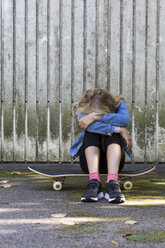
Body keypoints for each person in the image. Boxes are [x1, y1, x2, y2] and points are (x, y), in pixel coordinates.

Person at [70, 88, 133, 204]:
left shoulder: (118, 102)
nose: (90, 115)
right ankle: (94, 183)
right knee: (90, 132)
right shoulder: (82, 107)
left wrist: (96, 117)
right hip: (89, 164)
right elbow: (87, 125)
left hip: (115, 164)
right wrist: (120, 130)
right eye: (90, 114)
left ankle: (113, 183)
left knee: (113, 135)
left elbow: (124, 119)